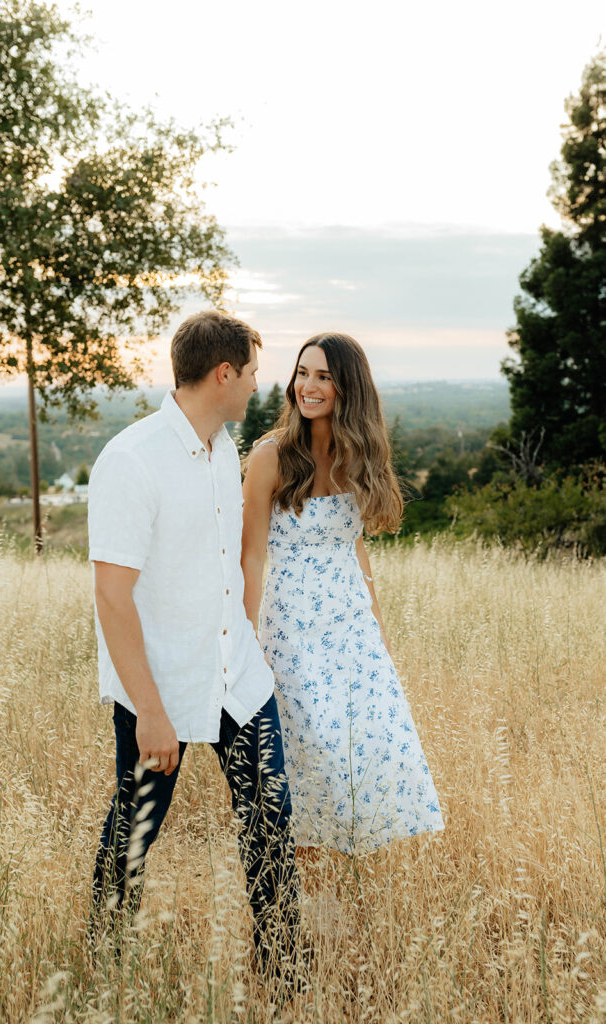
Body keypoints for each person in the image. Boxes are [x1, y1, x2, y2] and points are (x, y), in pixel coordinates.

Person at [87, 310, 300, 981]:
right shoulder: (131, 460)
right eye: (253, 374)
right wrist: (150, 710)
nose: (257, 387)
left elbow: (223, 566)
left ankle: (284, 971)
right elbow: (112, 597)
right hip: (163, 686)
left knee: (269, 823)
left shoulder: (219, 456)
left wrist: (250, 642)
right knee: (136, 829)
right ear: (224, 373)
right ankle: (105, 967)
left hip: (236, 675)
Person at [241, 333, 444, 855]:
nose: (307, 386)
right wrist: (246, 639)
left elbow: (355, 548)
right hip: (292, 632)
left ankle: (343, 890)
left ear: (347, 388)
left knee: (367, 754)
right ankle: (302, 898)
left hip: (351, 632)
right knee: (313, 757)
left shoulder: (358, 457)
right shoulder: (270, 458)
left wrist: (378, 634)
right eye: (302, 373)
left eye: (324, 377)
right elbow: (250, 556)